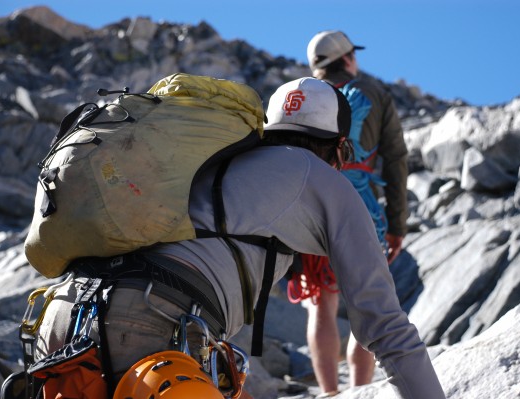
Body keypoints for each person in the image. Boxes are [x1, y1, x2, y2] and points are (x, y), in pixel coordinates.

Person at [34, 77, 444, 399]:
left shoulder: (218, 157)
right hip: (149, 327)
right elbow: (386, 328)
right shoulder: (322, 179)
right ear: (338, 149)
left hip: (62, 319)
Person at [290, 30, 410, 396]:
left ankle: (329, 393)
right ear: (347, 59)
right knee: (367, 302)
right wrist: (397, 225)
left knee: (321, 306)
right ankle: (361, 391)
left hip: (310, 208)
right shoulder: (375, 94)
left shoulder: (300, 95)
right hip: (363, 209)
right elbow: (396, 162)